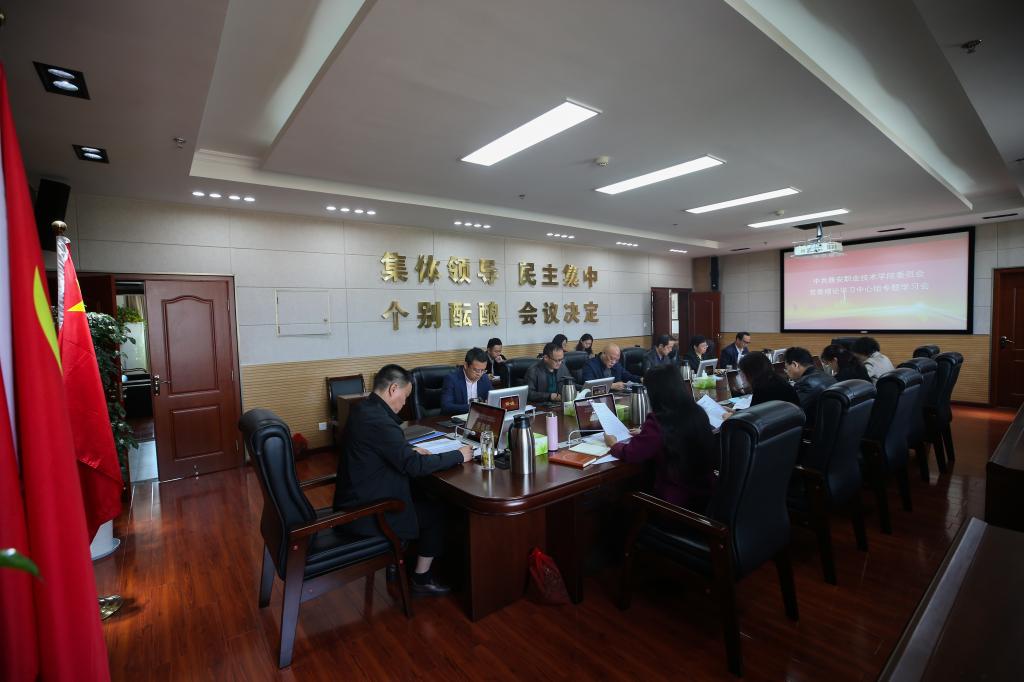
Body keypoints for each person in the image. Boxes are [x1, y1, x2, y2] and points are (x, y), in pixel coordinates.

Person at [333, 364, 472, 596]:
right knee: (437, 510)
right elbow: (414, 466)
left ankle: (399, 562)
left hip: (358, 495)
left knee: (423, 493)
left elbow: (382, 449)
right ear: (393, 389)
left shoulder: (364, 409)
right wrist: (458, 455)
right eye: (405, 396)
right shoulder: (380, 421)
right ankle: (421, 580)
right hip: (369, 512)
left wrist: (407, 451)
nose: (405, 403)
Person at [604, 365, 716, 510]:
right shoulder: (697, 412)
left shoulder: (659, 421)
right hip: (706, 495)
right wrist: (646, 433)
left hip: (675, 506)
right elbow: (674, 433)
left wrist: (614, 444)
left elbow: (631, 453)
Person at [784, 347, 836, 427]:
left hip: (813, 429)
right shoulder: (826, 375)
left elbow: (792, 413)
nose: (786, 371)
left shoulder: (805, 383)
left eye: (786, 367)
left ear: (795, 364)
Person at [440, 347, 492, 415]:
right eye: (476, 370)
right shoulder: (452, 379)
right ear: (466, 365)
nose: (479, 374)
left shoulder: (484, 378)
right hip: (457, 418)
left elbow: (492, 399)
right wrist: (473, 407)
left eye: (483, 370)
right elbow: (446, 407)